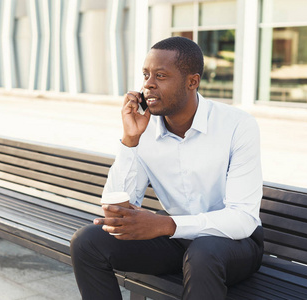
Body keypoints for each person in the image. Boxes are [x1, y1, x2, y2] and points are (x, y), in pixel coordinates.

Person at [70, 36, 264, 300]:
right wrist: (130, 141)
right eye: (146, 75)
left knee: (203, 253)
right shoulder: (144, 129)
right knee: (86, 242)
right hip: (175, 241)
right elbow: (115, 209)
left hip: (233, 244)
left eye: (160, 76)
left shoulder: (238, 125)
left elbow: (242, 219)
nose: (148, 85)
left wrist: (167, 225)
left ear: (192, 82)